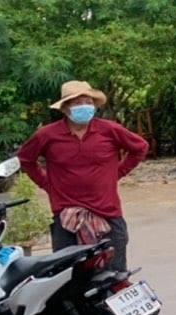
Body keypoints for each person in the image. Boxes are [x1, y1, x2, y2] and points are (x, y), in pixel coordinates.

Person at [18, 80, 149, 271]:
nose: (84, 107)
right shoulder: (47, 135)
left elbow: (140, 148)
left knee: (114, 275)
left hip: (108, 215)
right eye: (77, 103)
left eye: (88, 102)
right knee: (67, 278)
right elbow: (26, 160)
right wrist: (47, 184)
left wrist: (117, 173)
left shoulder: (110, 130)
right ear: (65, 109)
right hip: (66, 219)